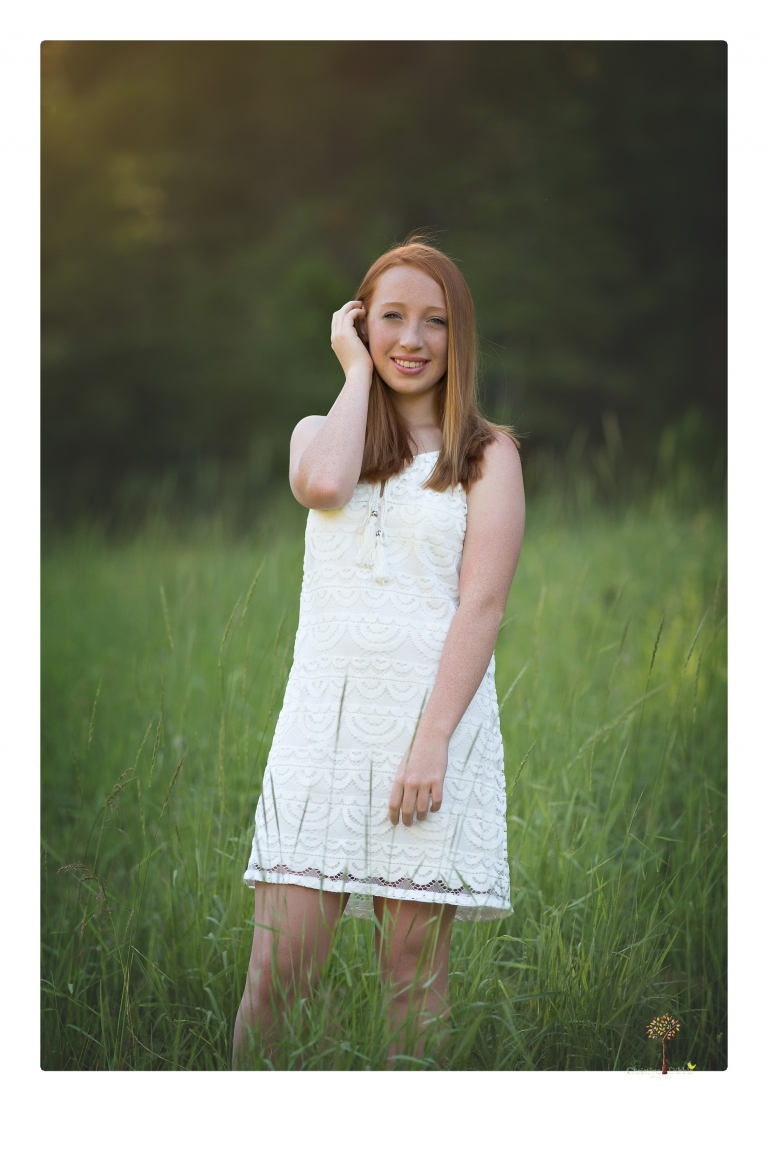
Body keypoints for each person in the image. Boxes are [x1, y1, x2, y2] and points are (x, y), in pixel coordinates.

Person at [233, 237, 525, 1068]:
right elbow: (323, 487)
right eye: (391, 318)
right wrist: (353, 375)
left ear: (457, 335)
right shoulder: (318, 435)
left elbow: (483, 604)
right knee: (280, 972)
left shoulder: (486, 454)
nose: (412, 339)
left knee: (409, 978)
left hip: (430, 733)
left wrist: (431, 741)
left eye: (434, 321)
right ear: (361, 325)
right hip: (320, 735)